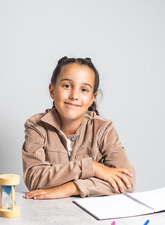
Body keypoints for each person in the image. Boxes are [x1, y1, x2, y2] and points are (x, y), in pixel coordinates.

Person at [22, 56, 135, 200]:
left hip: (90, 217)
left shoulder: (103, 129)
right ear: (52, 90)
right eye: (67, 86)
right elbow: (35, 179)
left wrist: (72, 188)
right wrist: (93, 168)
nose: (74, 95)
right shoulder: (36, 126)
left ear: (92, 98)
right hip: (46, 214)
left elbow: (127, 182)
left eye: (84, 89)